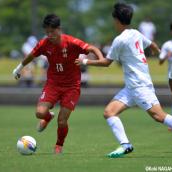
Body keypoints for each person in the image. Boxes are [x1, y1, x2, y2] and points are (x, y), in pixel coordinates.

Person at [75, 3, 172, 158]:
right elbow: (152, 44)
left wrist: (85, 62)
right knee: (109, 112)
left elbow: (107, 63)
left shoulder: (119, 40)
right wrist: (156, 49)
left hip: (140, 87)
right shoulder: (136, 33)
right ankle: (125, 145)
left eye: (113, 19)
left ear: (117, 21)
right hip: (131, 87)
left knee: (159, 116)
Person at [12, 14, 104, 154]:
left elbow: (92, 48)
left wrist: (101, 59)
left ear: (59, 29)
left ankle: (58, 146)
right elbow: (31, 55)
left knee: (62, 121)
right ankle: (48, 117)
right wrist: (18, 68)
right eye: (47, 32)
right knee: (39, 113)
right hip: (53, 84)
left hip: (72, 87)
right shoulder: (44, 43)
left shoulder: (71, 42)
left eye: (52, 31)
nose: (49, 35)